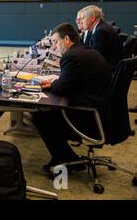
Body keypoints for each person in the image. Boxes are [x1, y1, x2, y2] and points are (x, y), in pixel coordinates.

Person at [32, 23, 112, 172]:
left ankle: (64, 158)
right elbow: (71, 81)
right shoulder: (86, 51)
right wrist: (58, 81)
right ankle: (67, 156)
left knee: (41, 116)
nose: (54, 46)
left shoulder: (72, 56)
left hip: (89, 117)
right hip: (102, 111)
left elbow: (62, 89)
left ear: (66, 39)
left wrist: (53, 83)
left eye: (55, 42)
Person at [79, 5, 122, 72]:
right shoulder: (101, 27)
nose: (81, 22)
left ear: (92, 18)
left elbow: (93, 58)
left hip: (106, 71)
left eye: (83, 18)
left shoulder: (101, 32)